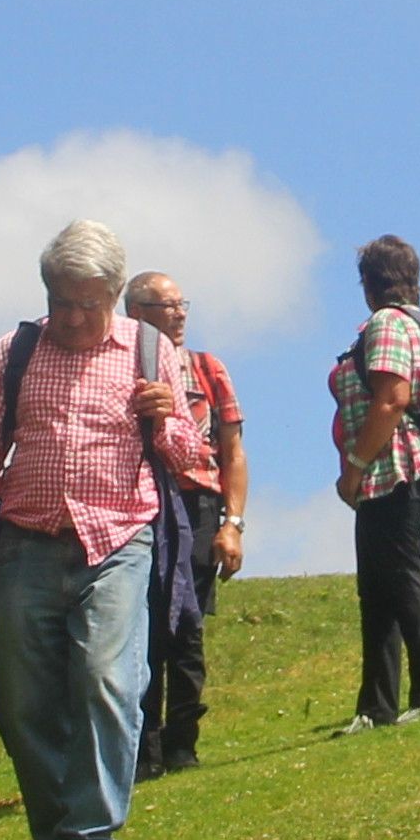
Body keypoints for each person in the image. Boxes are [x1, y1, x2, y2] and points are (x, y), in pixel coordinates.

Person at [0, 220, 208, 840]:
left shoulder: (150, 350)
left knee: (105, 677)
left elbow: (189, 455)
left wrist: (166, 417)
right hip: (25, 541)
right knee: (20, 701)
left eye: (86, 304)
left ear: (114, 296)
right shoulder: (15, 351)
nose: (70, 317)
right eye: (60, 301)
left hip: (118, 539)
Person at [125, 271, 245, 775]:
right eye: (166, 306)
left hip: (197, 506)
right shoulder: (120, 365)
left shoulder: (208, 369)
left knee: (187, 627)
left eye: (181, 305)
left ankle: (182, 745)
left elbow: (233, 452)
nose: (178, 315)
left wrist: (232, 523)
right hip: (141, 503)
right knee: (142, 627)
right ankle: (143, 751)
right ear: (136, 313)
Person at [330, 236, 420, 733]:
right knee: (378, 589)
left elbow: (392, 399)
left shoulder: (387, 324)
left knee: (401, 580)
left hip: (397, 469)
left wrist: (355, 465)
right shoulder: (408, 321)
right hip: (388, 474)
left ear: (369, 283)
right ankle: (375, 706)